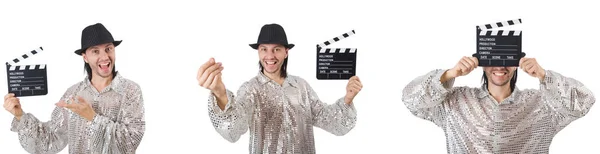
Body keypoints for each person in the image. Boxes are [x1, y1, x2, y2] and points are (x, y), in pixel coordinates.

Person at [197, 23, 362, 153]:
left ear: (286, 52)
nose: (270, 56)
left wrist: (348, 98)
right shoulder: (250, 90)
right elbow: (234, 129)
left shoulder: (301, 87)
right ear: (258, 52)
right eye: (264, 49)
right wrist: (220, 94)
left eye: (276, 49)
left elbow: (329, 119)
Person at [402, 56, 595, 153]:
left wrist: (545, 75)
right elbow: (411, 99)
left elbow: (585, 100)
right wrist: (449, 74)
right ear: (483, 63)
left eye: (507, 59)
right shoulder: (456, 102)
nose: (500, 66)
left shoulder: (543, 105)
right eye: (494, 59)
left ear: (516, 63)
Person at [3, 23, 145, 154]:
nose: (104, 56)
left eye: (108, 49)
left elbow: (130, 142)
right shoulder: (73, 94)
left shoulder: (130, 91)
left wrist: (93, 117)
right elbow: (50, 140)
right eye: (95, 51)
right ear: (85, 57)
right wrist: (20, 115)